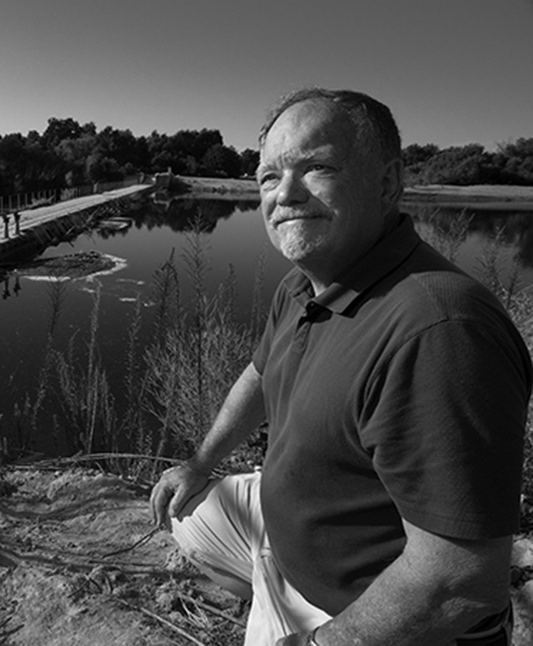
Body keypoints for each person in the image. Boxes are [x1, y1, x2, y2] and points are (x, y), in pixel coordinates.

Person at [149, 88, 532, 646]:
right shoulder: (306, 283)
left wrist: (321, 641)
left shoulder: (441, 329)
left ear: (386, 183)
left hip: (368, 619)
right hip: (282, 542)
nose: (284, 195)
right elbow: (260, 374)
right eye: (267, 177)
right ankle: (268, 579)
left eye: (317, 168)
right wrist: (199, 461)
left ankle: (288, 616)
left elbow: (459, 579)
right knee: (188, 512)